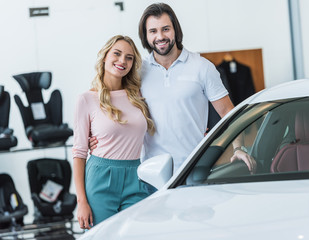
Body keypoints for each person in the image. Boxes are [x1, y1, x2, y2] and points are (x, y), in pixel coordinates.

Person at [90, 3, 256, 174]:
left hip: (194, 169)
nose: (160, 36)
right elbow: (111, 102)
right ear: (145, 36)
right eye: (153, 31)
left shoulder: (202, 67)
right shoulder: (138, 71)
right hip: (150, 172)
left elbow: (228, 113)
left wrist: (239, 149)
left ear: (175, 30)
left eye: (166, 29)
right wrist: (95, 137)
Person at [72, 35, 155, 230]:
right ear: (104, 57)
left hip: (136, 175)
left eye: (129, 57)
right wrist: (81, 202)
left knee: (137, 233)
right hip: (100, 178)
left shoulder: (138, 95)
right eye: (117, 54)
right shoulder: (86, 99)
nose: (122, 61)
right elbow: (79, 152)